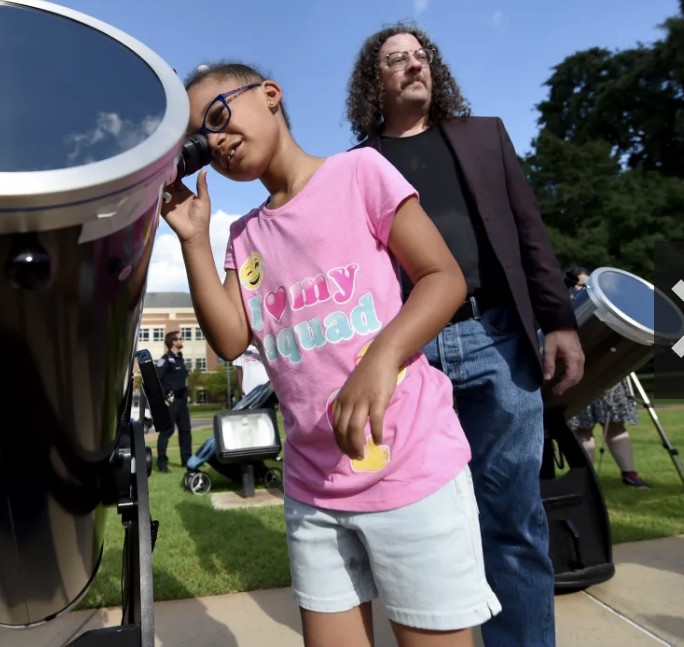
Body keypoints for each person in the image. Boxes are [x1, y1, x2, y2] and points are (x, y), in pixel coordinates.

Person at [160, 60, 500, 647]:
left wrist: (381, 358)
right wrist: (193, 238)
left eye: (217, 117)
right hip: (313, 490)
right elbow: (231, 341)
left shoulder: (359, 172)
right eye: (199, 138)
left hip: (409, 469)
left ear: (270, 95)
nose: (214, 141)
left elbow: (442, 277)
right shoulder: (244, 236)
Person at [345, 24, 586, 647]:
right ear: (375, 82)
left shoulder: (484, 137)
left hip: (496, 337)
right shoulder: (356, 167)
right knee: (420, 521)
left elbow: (530, 232)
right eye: (396, 59)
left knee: (513, 517)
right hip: (409, 353)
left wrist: (559, 321)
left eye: (420, 55)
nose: (413, 65)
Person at [567, 268, 650, 488]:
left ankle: (629, 474)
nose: (583, 289)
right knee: (583, 429)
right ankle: (586, 481)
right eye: (579, 285)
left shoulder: (609, 302)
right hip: (580, 375)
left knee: (615, 424)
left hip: (609, 374)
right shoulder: (567, 307)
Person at [154, 330, 192, 473]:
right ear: (173, 342)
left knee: (185, 431)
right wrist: (162, 398)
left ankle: (187, 462)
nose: (182, 340)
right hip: (170, 401)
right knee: (167, 431)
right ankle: (162, 464)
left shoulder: (180, 359)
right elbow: (156, 379)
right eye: (180, 338)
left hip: (182, 401)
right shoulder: (165, 359)